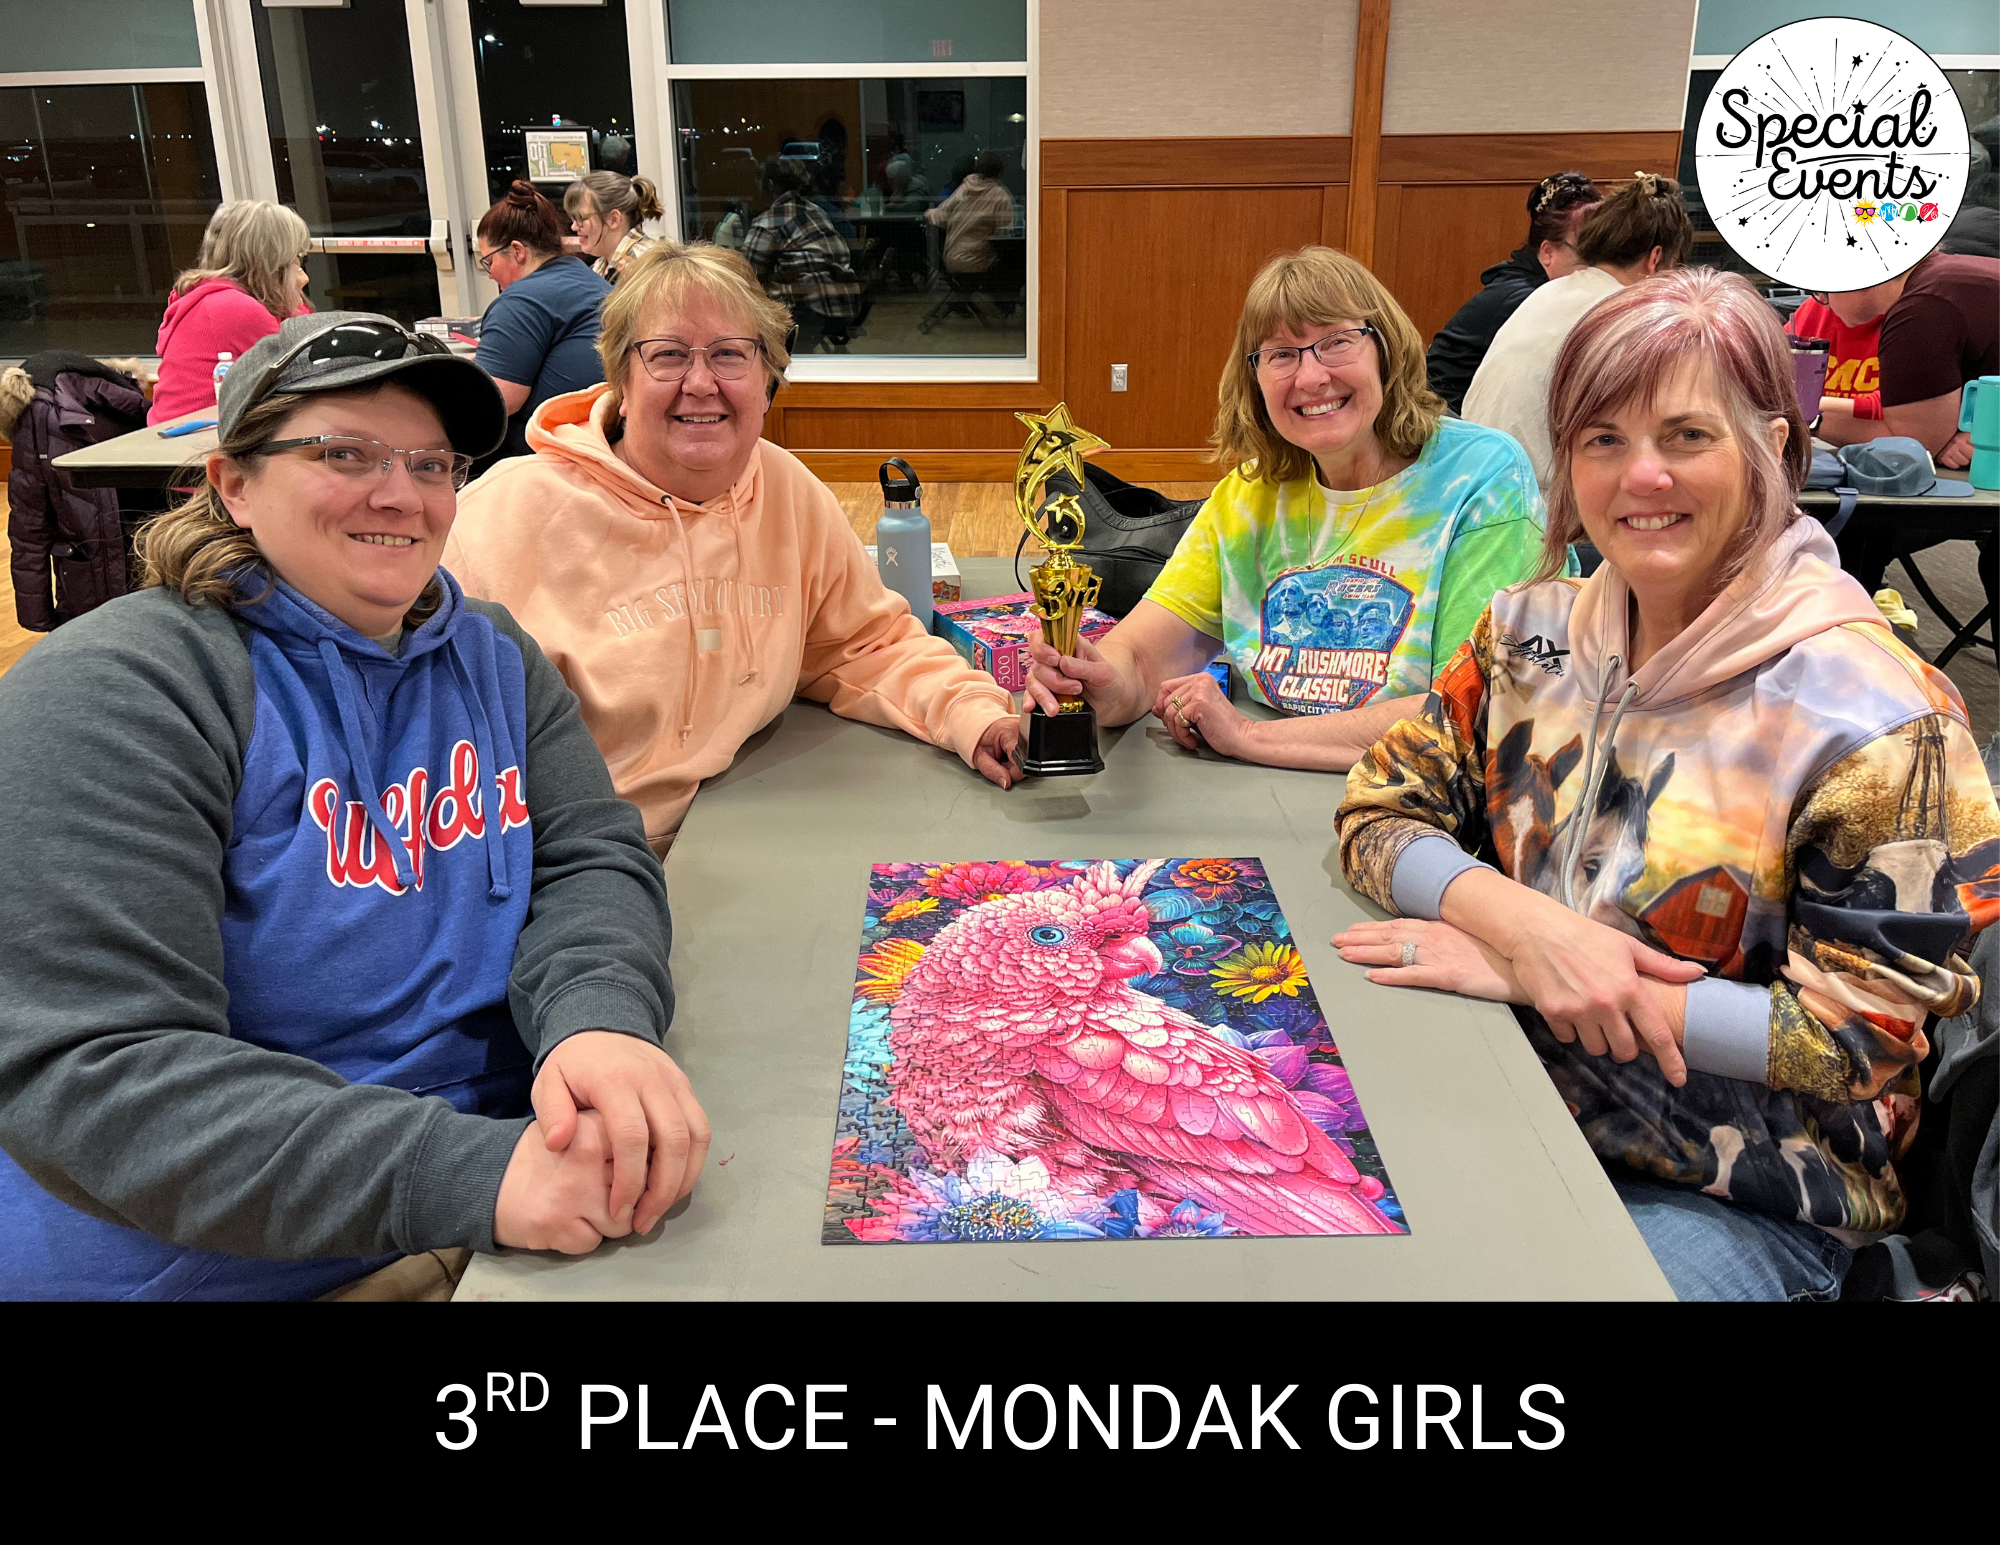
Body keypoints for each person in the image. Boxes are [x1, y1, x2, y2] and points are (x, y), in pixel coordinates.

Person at [0, 312, 706, 1300]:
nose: (400, 494)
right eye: (345, 453)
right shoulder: (120, 693)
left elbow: (589, 857)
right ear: (233, 484)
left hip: (520, 1182)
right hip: (232, 1258)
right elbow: (98, 1071)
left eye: (430, 463)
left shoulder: (492, 652)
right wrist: (467, 1176)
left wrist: (598, 1019)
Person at [1333, 268, 2000, 1301]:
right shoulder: (1526, 634)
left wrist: (1548, 976)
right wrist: (1524, 926)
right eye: (1602, 440)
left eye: (1686, 436)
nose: (1640, 475)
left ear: (1770, 447)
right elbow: (1379, 806)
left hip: (1745, 1195)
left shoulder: (1879, 717)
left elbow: (1852, 1039)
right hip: (1507, 1096)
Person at [443, 242, 1021, 855]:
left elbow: (864, 645)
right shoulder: (495, 521)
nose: (700, 383)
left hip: (740, 837)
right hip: (562, 864)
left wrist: (974, 715)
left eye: (729, 354)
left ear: (766, 381)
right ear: (621, 379)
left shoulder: (786, 490)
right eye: (667, 355)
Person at [1025, 245, 1552, 773]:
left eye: (1337, 342)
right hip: (1265, 796)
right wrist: (1098, 679)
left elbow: (1465, 713)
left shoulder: (1481, 477)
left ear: (1386, 350)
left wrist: (1249, 735)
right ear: (1255, 379)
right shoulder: (1249, 495)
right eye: (1282, 354)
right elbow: (1143, 658)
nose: (1311, 377)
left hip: (1420, 804)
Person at [1462, 172, 1693, 489]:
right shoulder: (1624, 316)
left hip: (1471, 476)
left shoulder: (1548, 291)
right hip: (1531, 499)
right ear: (1656, 259)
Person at [1426, 172, 1602, 412]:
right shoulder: (1524, 299)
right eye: (1588, 255)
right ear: (1548, 252)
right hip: (1445, 419)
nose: (1599, 267)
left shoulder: (1533, 286)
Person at [3, 353, 152, 629]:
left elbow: (29, 527)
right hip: (156, 561)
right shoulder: (127, 397)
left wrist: (37, 618)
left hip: (91, 587)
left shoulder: (35, 411)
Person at [474, 180, 613, 463]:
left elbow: (494, 402)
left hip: (544, 457)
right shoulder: (589, 279)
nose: (489, 274)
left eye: (489, 262)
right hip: (602, 441)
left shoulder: (520, 301)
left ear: (517, 251)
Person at [148, 200, 312, 426]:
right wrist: (293, 297)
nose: (302, 273)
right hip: (192, 439)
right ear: (272, 262)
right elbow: (307, 370)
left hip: (198, 433)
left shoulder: (215, 297)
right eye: (294, 259)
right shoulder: (234, 308)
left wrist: (292, 297)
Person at [740, 158, 861, 355]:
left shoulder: (770, 221)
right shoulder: (816, 211)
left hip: (805, 311)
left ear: (770, 185)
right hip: (842, 302)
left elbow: (747, 274)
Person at [1787, 284, 1888, 447]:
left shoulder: (1911, 318)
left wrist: (1812, 411)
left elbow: (1902, 407)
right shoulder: (1814, 309)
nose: (1821, 298)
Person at [564, 171, 665, 286]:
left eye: (581, 218)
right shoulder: (601, 266)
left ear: (614, 219)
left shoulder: (646, 265)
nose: (574, 227)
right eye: (573, 219)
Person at [925, 150, 1015, 278]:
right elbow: (1005, 234)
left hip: (952, 260)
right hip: (979, 263)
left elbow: (941, 216)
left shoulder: (965, 188)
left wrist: (927, 213)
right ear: (1001, 171)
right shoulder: (1001, 197)